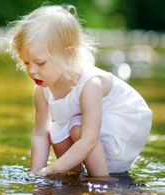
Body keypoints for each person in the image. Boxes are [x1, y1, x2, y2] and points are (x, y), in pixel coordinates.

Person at [9, 5, 152, 176]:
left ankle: (102, 182)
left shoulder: (90, 85)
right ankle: (76, 180)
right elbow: (41, 134)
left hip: (124, 124)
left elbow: (89, 140)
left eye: (40, 63)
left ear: (68, 55)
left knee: (77, 128)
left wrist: (52, 169)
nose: (32, 71)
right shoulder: (42, 90)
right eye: (26, 63)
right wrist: (36, 173)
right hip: (93, 132)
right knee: (57, 133)